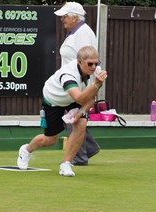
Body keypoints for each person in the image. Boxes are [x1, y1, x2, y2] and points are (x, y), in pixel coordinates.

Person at [17, 46, 107, 177]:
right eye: (90, 64)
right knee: (50, 139)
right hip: (54, 99)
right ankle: (26, 150)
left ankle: (66, 164)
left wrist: (80, 113)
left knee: (81, 124)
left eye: (96, 63)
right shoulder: (68, 75)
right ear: (79, 61)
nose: (93, 67)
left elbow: (91, 98)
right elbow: (79, 97)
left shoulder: (96, 72)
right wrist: (96, 84)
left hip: (74, 98)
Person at [54, 2, 100, 166]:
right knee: (72, 116)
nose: (62, 20)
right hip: (72, 81)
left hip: (78, 83)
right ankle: (89, 147)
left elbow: (90, 62)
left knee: (71, 117)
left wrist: (90, 88)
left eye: (65, 16)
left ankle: (79, 157)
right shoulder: (77, 32)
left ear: (74, 17)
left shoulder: (82, 34)